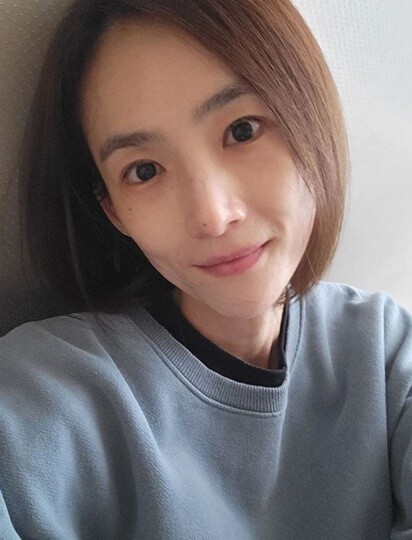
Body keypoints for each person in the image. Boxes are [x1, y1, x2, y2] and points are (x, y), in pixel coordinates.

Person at [0, 0, 411, 538]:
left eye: (242, 130)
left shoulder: (384, 350)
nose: (212, 216)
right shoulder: (49, 388)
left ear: (309, 120)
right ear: (113, 211)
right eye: (144, 171)